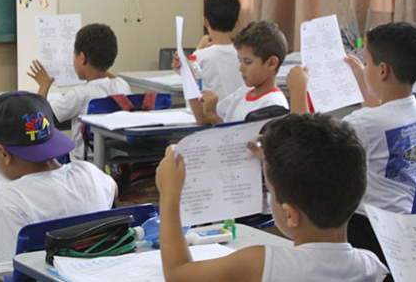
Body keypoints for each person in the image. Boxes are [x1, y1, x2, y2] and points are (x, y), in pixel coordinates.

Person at [156, 113, 388, 282]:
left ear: (291, 215)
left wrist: (169, 196)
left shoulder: (260, 264)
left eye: (270, 189)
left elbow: (178, 274)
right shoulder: (373, 267)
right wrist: (273, 160)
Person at [287, 21, 416, 267]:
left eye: (367, 62)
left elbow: (307, 149)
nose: (364, 66)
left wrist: (298, 89)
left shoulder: (364, 123)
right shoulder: (412, 111)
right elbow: (383, 120)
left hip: (368, 229)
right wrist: (363, 81)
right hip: (404, 228)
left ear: (383, 71)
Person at [0, 91, 117, 278]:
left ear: (3, 153)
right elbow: (114, 190)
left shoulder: (11, 197)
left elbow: (14, 271)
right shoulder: (89, 172)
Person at [27, 23, 131, 159]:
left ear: (82, 58)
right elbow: (107, 75)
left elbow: (40, 119)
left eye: (74, 55)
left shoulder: (80, 94)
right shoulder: (122, 85)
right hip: (114, 164)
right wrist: (101, 62)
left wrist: (44, 85)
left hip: (81, 167)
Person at [191, 21, 289, 126]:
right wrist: (188, 73)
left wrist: (213, 116)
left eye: (248, 62)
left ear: (271, 63)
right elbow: (203, 119)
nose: (240, 68)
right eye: (240, 61)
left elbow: (234, 140)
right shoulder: (243, 93)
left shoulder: (273, 106)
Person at [172, 0, 244, 99]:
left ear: (205, 21)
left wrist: (199, 48)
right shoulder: (244, 54)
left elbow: (192, 80)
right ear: (237, 23)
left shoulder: (201, 55)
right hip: (240, 113)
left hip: (211, 112)